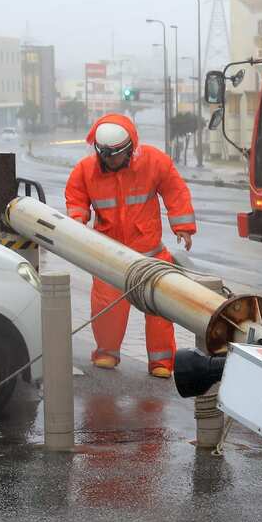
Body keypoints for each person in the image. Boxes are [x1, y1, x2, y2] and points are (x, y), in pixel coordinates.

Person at [65, 113, 197, 378]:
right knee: (106, 308)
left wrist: (182, 226)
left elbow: (174, 189)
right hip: (108, 255)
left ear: (129, 149)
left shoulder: (153, 162)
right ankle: (106, 353)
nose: (110, 160)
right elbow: (77, 196)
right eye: (105, 155)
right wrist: (77, 220)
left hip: (149, 255)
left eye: (115, 155)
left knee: (159, 309)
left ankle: (161, 362)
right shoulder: (86, 170)